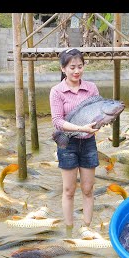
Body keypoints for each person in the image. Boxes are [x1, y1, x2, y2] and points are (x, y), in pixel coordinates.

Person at [49, 48, 101, 231]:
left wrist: (101, 123)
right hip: (67, 143)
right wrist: (80, 128)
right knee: (69, 190)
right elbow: (57, 121)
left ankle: (87, 228)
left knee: (88, 189)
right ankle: (69, 229)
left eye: (80, 66)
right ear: (63, 69)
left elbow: (98, 113)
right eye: (72, 67)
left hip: (88, 142)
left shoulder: (91, 88)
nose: (76, 71)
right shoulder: (57, 91)